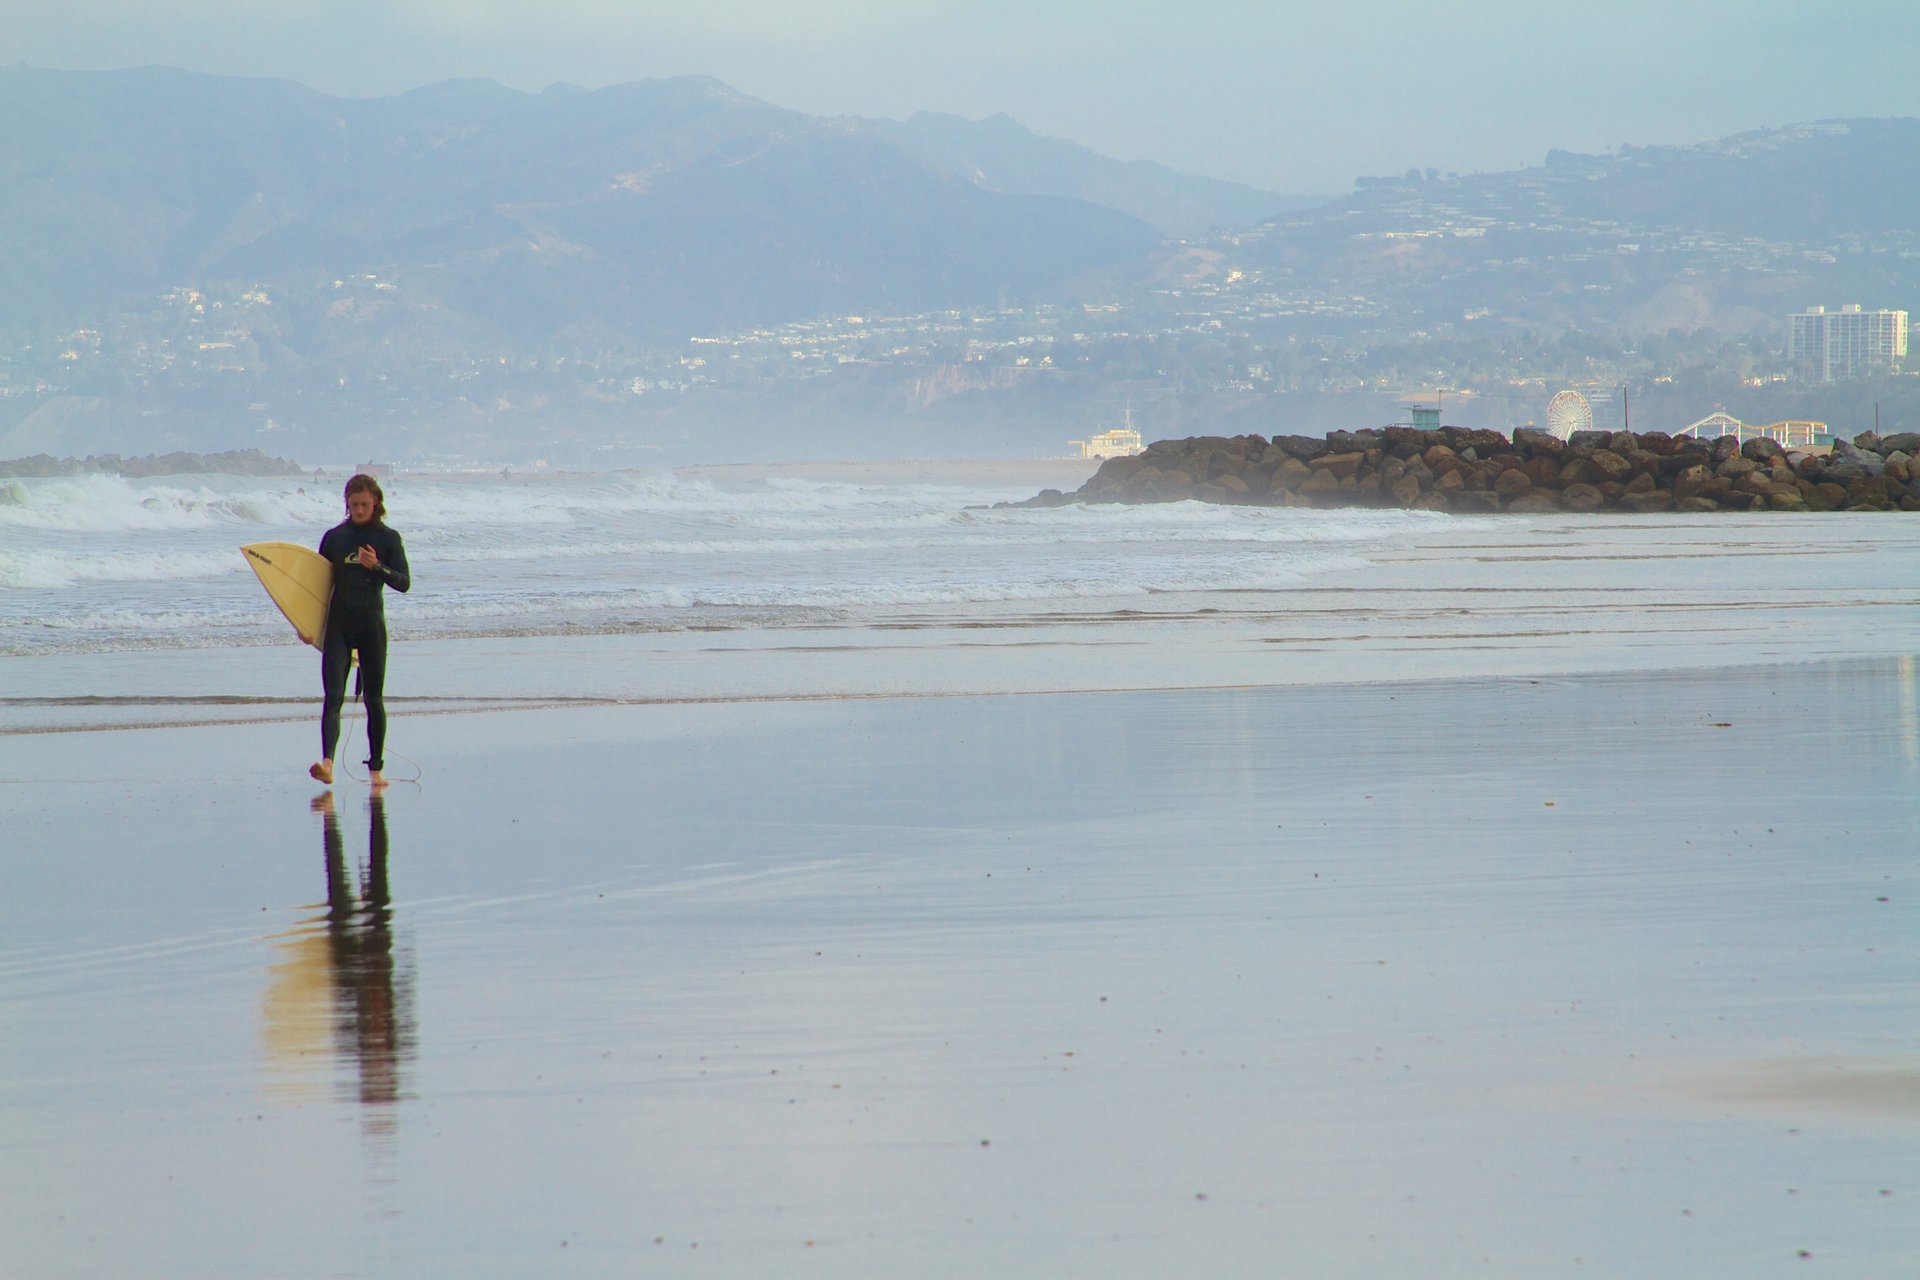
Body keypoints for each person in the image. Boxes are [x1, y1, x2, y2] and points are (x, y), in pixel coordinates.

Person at [310, 474, 410, 789]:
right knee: (333, 697)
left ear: (375, 502)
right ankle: (327, 763)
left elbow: (404, 583)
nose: (359, 510)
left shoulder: (388, 538)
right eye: (354, 505)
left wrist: (376, 567)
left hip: (371, 627)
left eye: (365, 504)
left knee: (374, 699)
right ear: (347, 503)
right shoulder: (334, 538)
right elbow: (316, 587)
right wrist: (307, 626)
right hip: (338, 626)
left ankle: (376, 770)